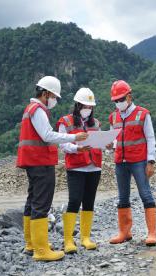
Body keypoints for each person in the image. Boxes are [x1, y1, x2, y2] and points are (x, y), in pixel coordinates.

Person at [16, 76, 88, 262]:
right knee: (41, 203)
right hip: (40, 161)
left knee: (32, 201)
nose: (55, 99)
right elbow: (47, 135)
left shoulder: (29, 109)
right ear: (46, 93)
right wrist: (73, 137)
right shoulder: (38, 110)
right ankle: (41, 251)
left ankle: (31, 245)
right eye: (54, 96)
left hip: (32, 161)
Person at [107, 80, 156, 246]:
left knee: (145, 194)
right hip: (120, 161)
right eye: (115, 101)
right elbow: (114, 139)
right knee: (122, 197)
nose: (118, 103)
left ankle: (151, 233)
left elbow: (150, 138)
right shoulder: (113, 116)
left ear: (129, 97)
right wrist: (109, 145)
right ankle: (124, 232)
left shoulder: (143, 114)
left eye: (120, 99)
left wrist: (151, 161)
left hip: (139, 161)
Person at [56, 88, 102, 254]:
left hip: (94, 167)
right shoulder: (65, 122)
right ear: (77, 105)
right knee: (74, 201)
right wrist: (77, 149)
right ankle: (68, 240)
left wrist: (110, 145)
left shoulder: (95, 123)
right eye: (85, 106)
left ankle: (85, 238)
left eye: (90, 107)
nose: (87, 109)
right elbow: (62, 143)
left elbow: (100, 142)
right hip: (76, 167)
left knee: (89, 201)